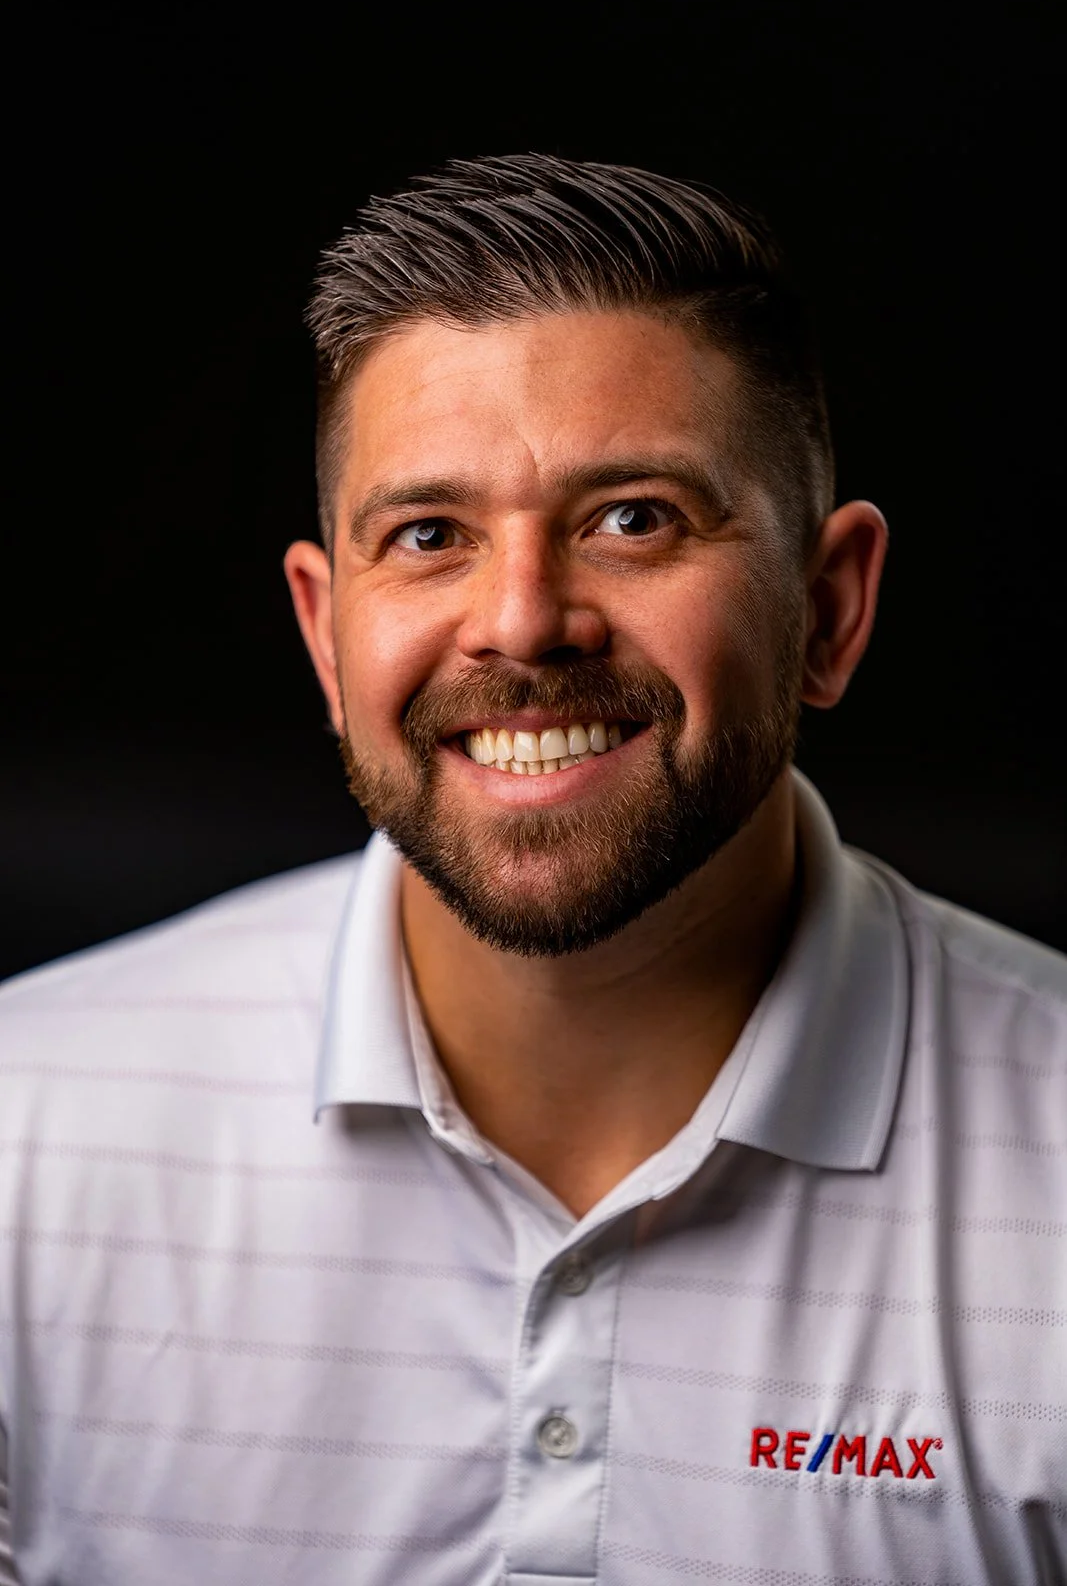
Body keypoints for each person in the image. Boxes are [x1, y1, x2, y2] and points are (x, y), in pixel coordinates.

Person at [1, 154, 1063, 1586]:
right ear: (326, 635)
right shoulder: (24, 1135)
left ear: (827, 607)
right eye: (428, 536)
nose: (521, 622)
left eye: (634, 518)